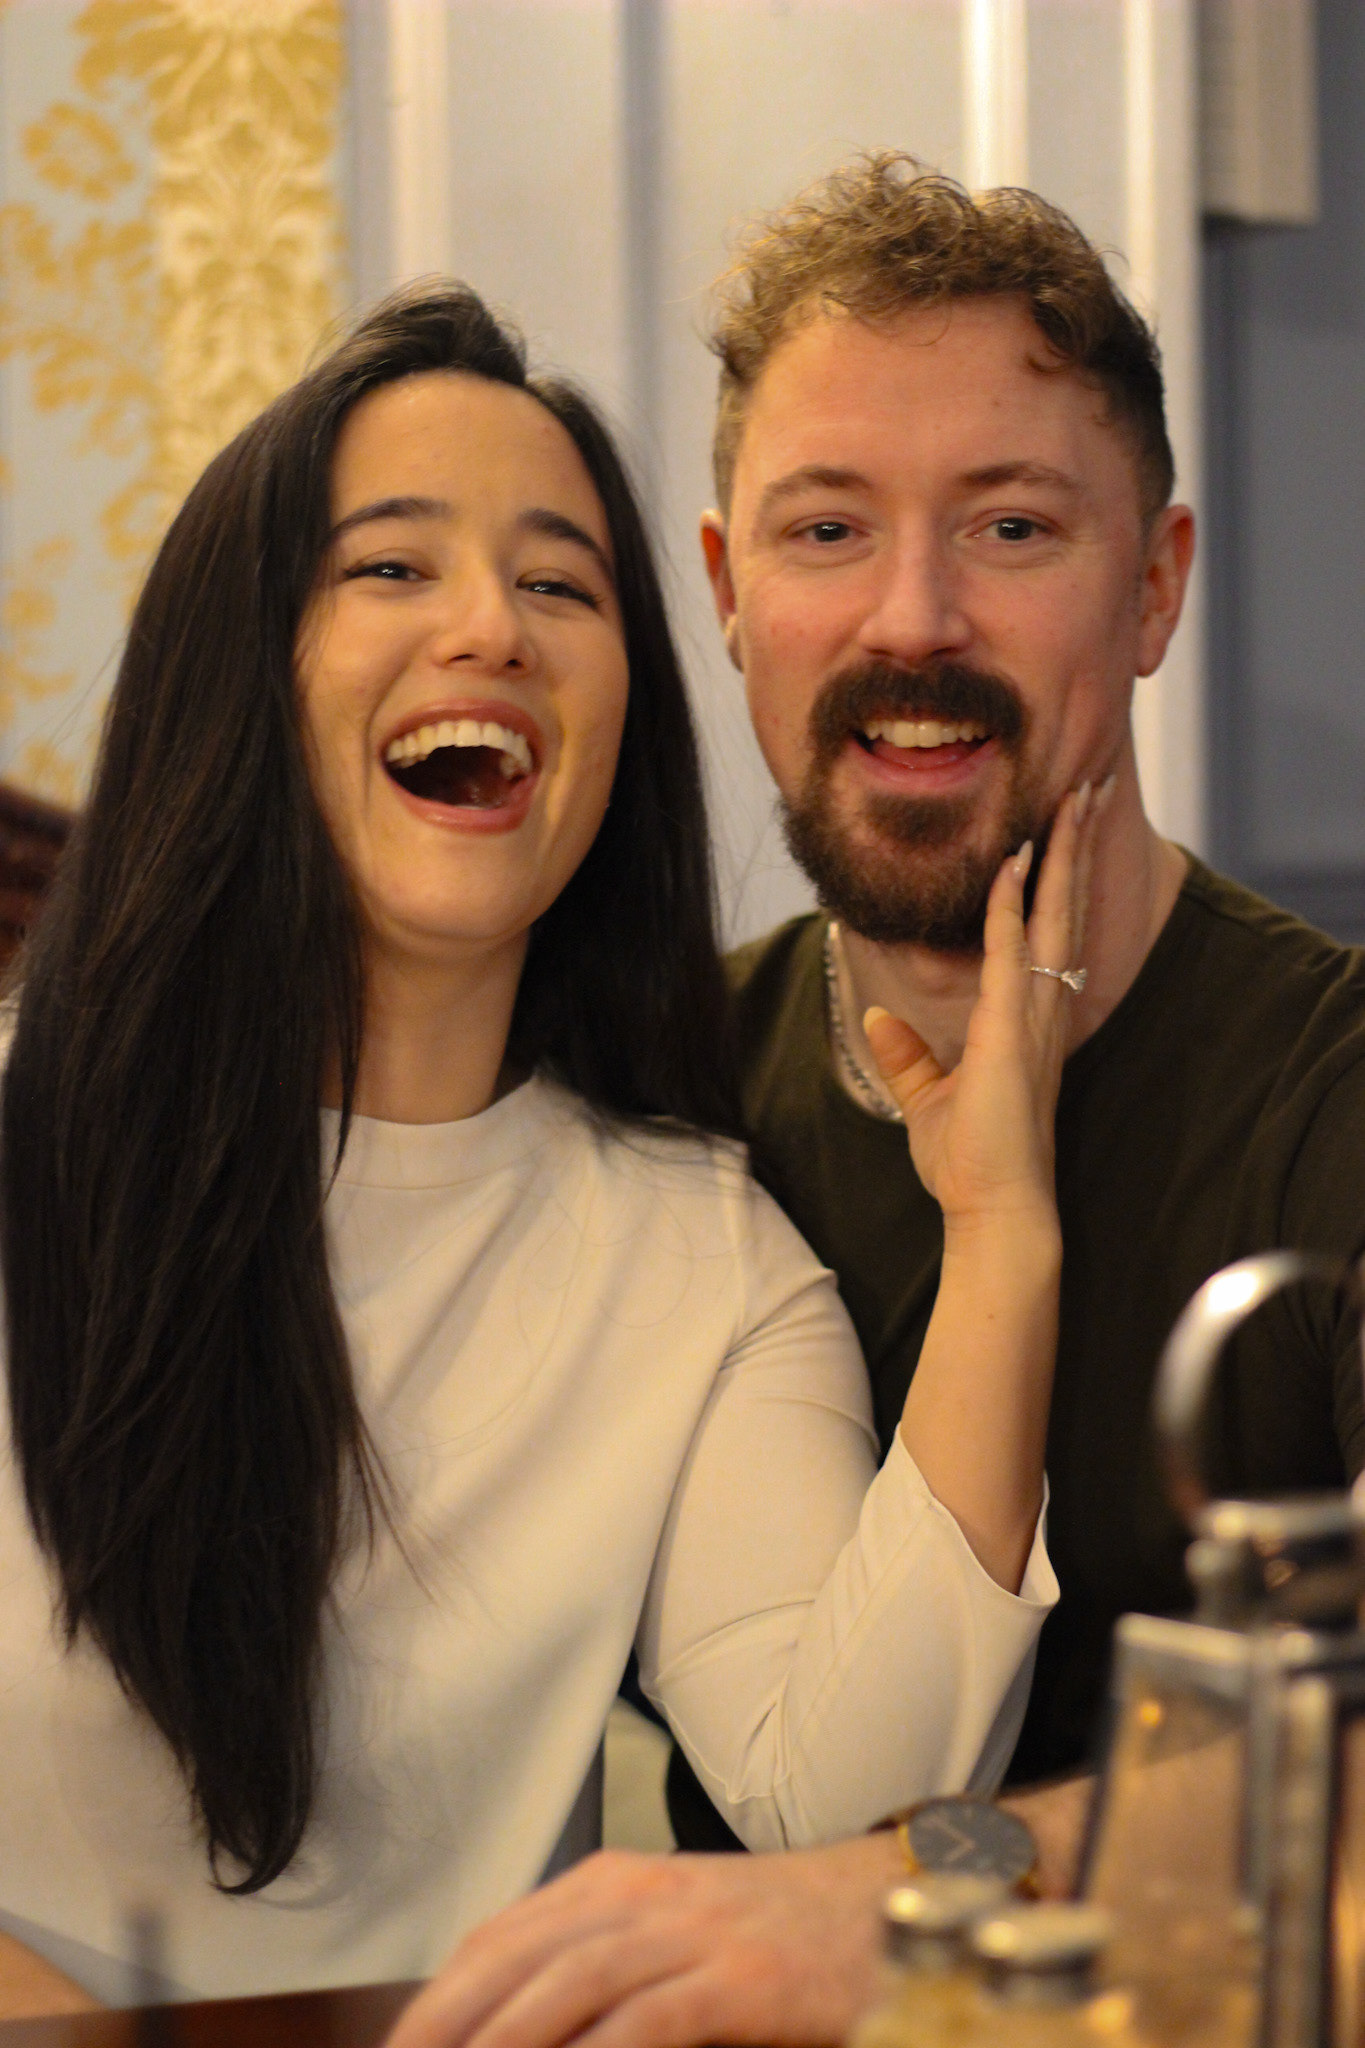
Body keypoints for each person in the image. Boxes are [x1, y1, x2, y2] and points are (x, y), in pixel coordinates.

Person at [0, 281, 1098, 2011]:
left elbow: (848, 1804)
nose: (491, 631)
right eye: (390, 566)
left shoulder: (696, 1251)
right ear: (240, 673)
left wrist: (1000, 1240)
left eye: (560, 586)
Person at [388, 159, 1365, 2048]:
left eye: (1011, 528)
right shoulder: (629, 1095)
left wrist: (917, 1900)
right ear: (725, 591)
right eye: (827, 530)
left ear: (1153, 585)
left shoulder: (1333, 1088)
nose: (912, 620)